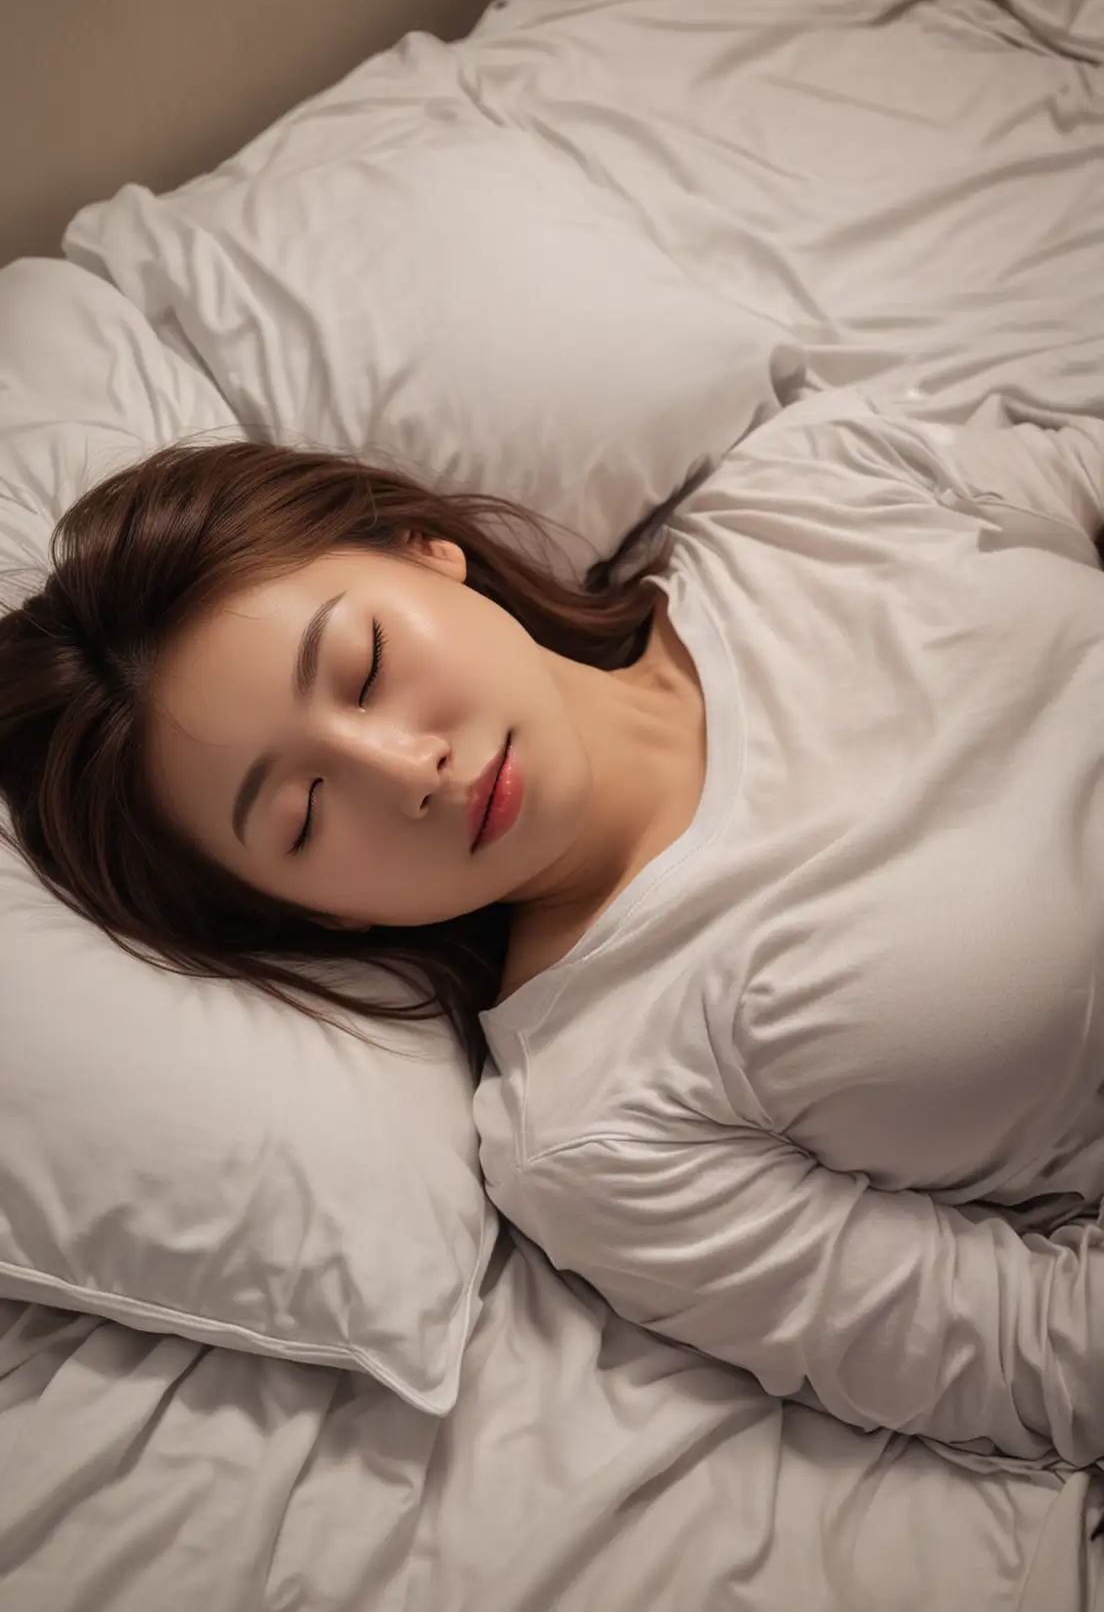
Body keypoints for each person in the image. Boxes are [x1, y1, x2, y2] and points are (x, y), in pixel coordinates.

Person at [2, 402, 1104, 1467]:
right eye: (303, 814)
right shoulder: (598, 1132)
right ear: (316, 914)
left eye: (367, 667)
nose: (406, 771)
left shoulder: (805, 492)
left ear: (426, 551)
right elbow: (1039, 1360)